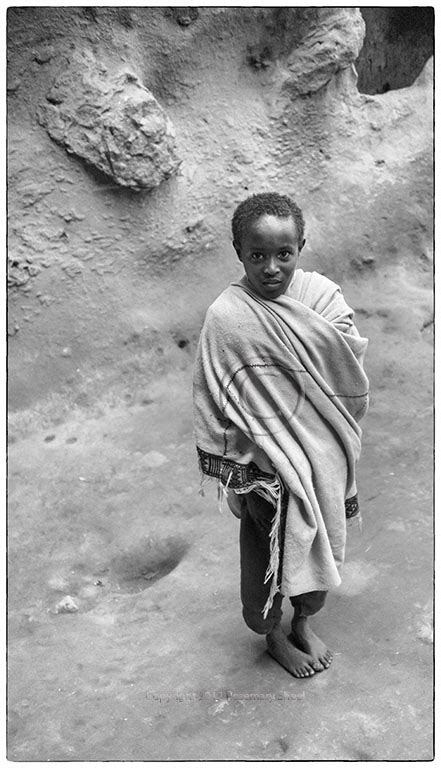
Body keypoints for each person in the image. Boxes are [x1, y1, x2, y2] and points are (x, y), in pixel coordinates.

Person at [193, 192, 369, 678]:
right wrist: (234, 475)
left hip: (320, 462)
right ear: (238, 251)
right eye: (257, 255)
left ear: (301, 247)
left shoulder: (319, 297)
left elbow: (345, 364)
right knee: (266, 552)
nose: (271, 268)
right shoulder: (227, 317)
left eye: (284, 254)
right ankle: (274, 634)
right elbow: (215, 395)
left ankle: (304, 622)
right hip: (263, 470)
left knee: (320, 541)